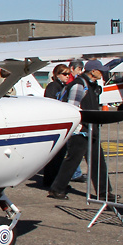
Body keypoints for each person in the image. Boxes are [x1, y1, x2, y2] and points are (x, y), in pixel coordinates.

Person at [47, 59, 113, 201]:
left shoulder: (91, 85)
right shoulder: (79, 85)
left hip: (91, 128)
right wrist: (76, 129)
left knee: (97, 160)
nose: (102, 73)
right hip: (82, 129)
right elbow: (73, 108)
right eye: (100, 71)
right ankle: (57, 189)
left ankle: (104, 192)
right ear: (93, 71)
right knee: (72, 160)